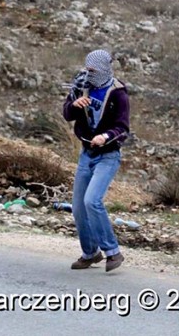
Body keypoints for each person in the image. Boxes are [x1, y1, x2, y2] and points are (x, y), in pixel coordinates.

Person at [62, 49, 130, 272]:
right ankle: (90, 253)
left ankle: (113, 252)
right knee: (79, 208)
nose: (89, 74)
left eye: (94, 71)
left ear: (104, 69)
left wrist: (106, 137)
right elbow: (67, 114)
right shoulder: (81, 85)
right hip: (86, 154)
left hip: (107, 156)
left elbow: (123, 128)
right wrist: (74, 105)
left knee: (93, 201)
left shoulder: (118, 93)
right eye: (88, 69)